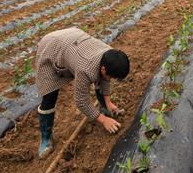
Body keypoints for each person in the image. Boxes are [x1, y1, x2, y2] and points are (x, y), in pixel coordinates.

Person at [34, 27, 130, 158]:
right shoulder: (86, 68)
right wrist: (103, 120)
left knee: (102, 78)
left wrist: (108, 102)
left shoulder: (109, 54)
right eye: (112, 76)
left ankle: (105, 108)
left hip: (73, 40)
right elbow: (81, 100)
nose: (112, 79)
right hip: (51, 47)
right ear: (103, 68)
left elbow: (105, 79)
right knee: (50, 95)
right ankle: (46, 139)